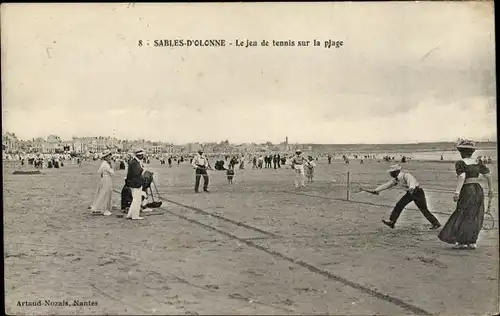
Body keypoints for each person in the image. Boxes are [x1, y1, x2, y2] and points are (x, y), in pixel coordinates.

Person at [438, 139, 494, 250]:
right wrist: (491, 189)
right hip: (478, 190)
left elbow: (462, 177)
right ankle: (472, 242)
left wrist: (457, 192)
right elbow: (488, 175)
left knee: (462, 214)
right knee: (475, 215)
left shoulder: (460, 163)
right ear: (472, 152)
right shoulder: (478, 163)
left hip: (467, 190)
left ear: (461, 152)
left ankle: (462, 242)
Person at [372, 164, 441, 230]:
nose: (390, 174)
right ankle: (392, 222)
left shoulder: (406, 175)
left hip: (417, 192)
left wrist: (411, 188)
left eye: (391, 172)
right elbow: (387, 185)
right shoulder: (396, 179)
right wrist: (376, 190)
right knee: (399, 205)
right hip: (410, 193)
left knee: (423, 209)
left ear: (396, 172)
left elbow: (412, 181)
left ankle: (436, 224)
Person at [90, 150, 114, 216]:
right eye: (108, 156)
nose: (110, 157)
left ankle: (101, 207)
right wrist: (111, 166)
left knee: (103, 192)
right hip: (107, 179)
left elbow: (100, 171)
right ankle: (104, 209)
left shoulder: (104, 163)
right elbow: (112, 172)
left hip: (105, 178)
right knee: (105, 193)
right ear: (106, 157)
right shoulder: (106, 164)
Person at [125, 149, 146, 220]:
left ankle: (130, 214)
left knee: (136, 199)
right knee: (136, 200)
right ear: (139, 155)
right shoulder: (134, 163)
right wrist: (142, 169)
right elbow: (136, 173)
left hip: (135, 183)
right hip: (135, 183)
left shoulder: (135, 162)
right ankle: (135, 216)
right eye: (142, 155)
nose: (143, 156)